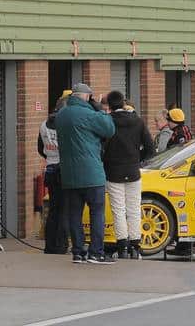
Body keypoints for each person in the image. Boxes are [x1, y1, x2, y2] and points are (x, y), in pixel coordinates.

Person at [55, 82, 116, 264]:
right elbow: (109, 129)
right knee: (97, 213)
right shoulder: (89, 114)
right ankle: (96, 252)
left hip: (69, 175)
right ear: (87, 96)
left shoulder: (62, 115)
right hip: (91, 174)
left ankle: (78, 252)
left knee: (74, 215)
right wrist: (98, 108)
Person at [103, 91, 155, 260]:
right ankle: (135, 246)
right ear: (123, 102)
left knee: (118, 210)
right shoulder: (138, 122)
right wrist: (136, 159)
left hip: (113, 172)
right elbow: (150, 149)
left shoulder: (108, 121)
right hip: (133, 172)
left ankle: (122, 247)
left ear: (110, 106)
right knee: (134, 209)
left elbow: (101, 147)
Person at [37, 91, 71, 254]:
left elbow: (40, 149)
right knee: (64, 209)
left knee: (53, 209)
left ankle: (50, 245)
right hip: (64, 170)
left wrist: (50, 155)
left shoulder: (44, 124)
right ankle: (61, 244)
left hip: (50, 170)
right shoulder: (66, 124)